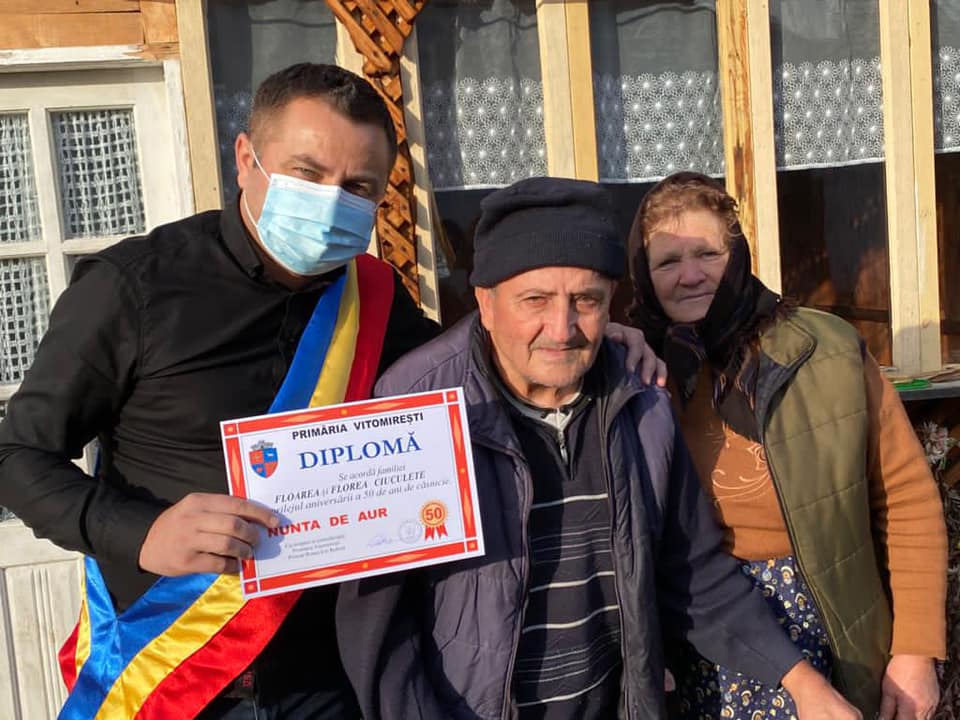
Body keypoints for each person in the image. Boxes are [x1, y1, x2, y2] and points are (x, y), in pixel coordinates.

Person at [0, 64, 659, 719]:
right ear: (245, 159)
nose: (329, 201)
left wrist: (593, 337)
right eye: (307, 173)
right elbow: (17, 456)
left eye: (357, 187)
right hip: (182, 678)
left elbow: (477, 360)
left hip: (329, 679)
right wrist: (143, 532)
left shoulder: (373, 295)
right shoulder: (133, 288)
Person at [337, 176, 861, 720]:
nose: (562, 328)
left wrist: (802, 683)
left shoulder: (642, 402)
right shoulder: (413, 407)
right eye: (535, 300)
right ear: (486, 304)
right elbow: (379, 625)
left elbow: (693, 572)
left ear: (611, 303)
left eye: (585, 300)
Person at [625, 171, 947, 720]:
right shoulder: (632, 370)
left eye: (707, 254)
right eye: (667, 262)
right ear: (642, 273)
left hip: (827, 623)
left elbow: (906, 500)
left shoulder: (825, 351)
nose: (690, 275)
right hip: (692, 631)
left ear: (737, 255)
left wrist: (915, 650)